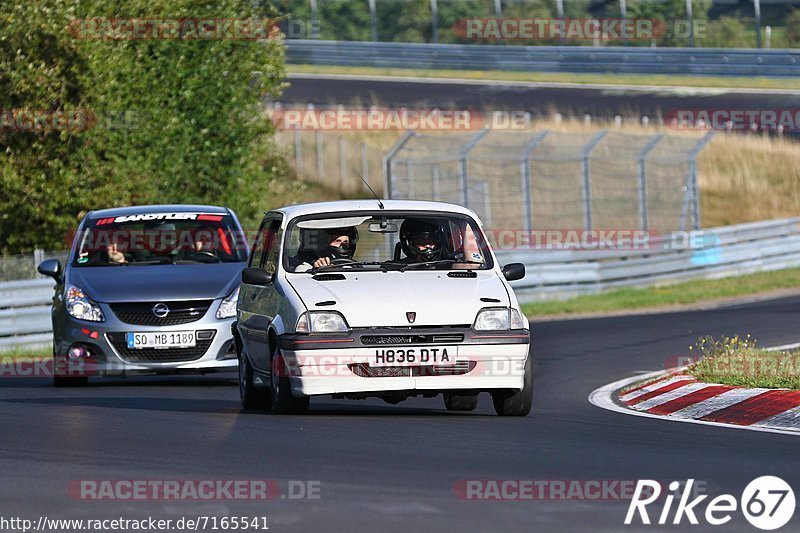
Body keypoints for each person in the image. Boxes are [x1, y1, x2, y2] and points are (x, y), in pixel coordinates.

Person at [291, 227, 358, 272]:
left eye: (346, 242)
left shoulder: (351, 267)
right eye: (337, 241)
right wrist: (319, 270)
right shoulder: (304, 269)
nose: (343, 245)